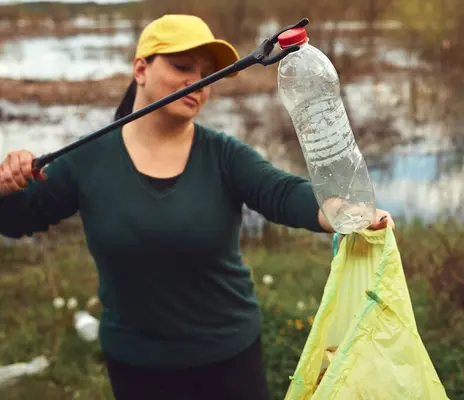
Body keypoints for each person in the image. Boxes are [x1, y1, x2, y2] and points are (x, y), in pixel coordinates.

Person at [0, 14, 395, 400]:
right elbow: (19, 219)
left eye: (208, 72)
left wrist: (340, 212)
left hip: (230, 357)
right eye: (181, 65)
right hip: (137, 364)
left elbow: (279, 192)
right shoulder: (87, 160)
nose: (198, 82)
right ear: (141, 69)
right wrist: (4, 186)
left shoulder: (223, 155)